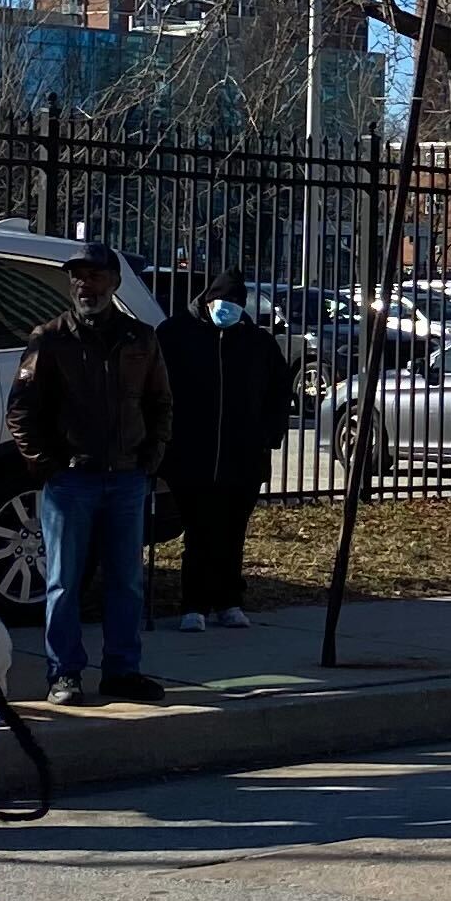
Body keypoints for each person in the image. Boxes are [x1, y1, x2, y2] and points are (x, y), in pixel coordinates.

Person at [8, 241, 169, 705]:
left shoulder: (141, 339)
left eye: (94, 276)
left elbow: (161, 402)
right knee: (63, 582)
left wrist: (150, 458)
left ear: (114, 283)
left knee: (125, 581)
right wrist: (45, 466)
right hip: (71, 481)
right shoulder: (51, 338)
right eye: (77, 276)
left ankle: (122, 671)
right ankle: (65, 674)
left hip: (125, 478)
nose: (84, 284)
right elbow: (22, 410)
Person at [155, 268, 293, 633]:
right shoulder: (174, 335)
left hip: (242, 457)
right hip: (190, 456)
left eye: (236, 303)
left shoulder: (257, 343)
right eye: (223, 302)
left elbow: (280, 391)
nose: (228, 309)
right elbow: (156, 391)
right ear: (206, 300)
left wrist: (269, 434)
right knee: (199, 532)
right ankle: (194, 604)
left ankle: (230, 601)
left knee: (232, 532)